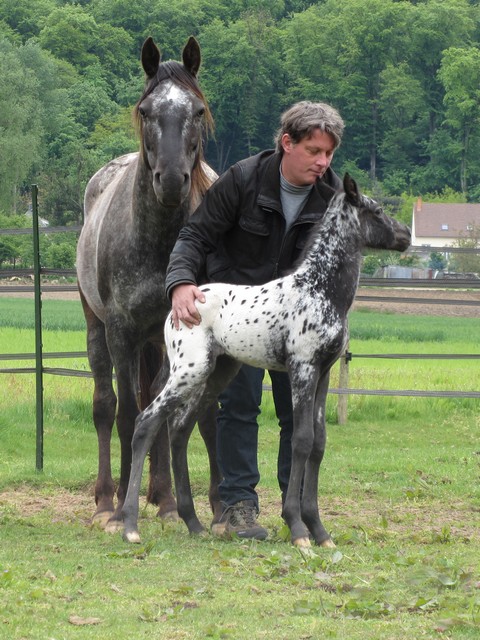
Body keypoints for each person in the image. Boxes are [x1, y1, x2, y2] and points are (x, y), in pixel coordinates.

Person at [165, 101, 345, 540]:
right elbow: (195, 234)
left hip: (297, 322)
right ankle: (238, 508)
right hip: (240, 314)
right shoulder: (243, 179)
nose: (323, 162)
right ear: (287, 143)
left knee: (296, 413)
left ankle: (297, 508)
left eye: (329, 154)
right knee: (239, 406)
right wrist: (181, 282)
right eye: (313, 151)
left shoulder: (334, 197)